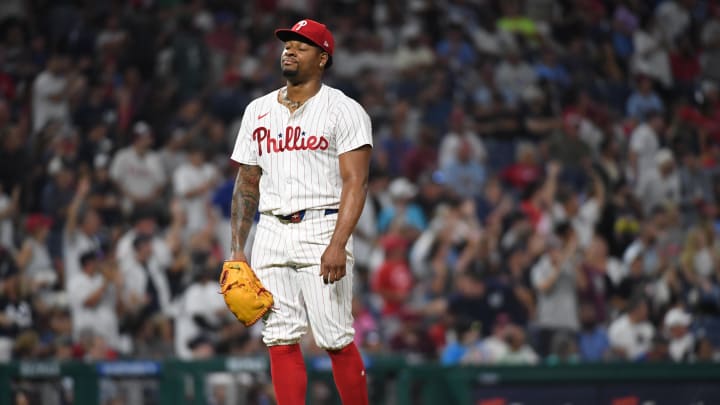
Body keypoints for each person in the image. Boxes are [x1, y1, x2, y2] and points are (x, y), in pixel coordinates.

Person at [228, 19, 372, 405]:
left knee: (334, 337)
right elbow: (246, 183)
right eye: (287, 44)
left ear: (323, 58)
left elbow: (355, 183)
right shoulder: (257, 111)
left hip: (322, 226)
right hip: (271, 230)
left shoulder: (344, 110)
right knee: (279, 337)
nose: (289, 50)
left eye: (302, 45)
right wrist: (237, 250)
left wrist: (338, 243)